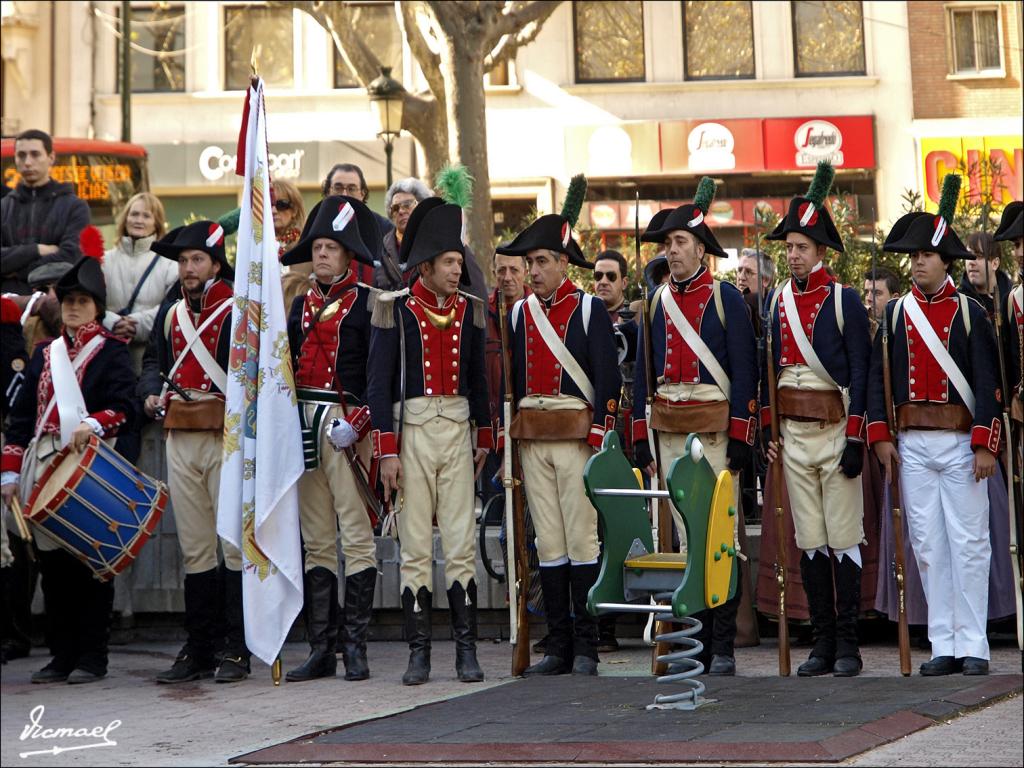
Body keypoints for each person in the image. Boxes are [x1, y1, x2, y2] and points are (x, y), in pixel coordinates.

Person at [868, 174, 1000, 677]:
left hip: (963, 442)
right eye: (913, 256)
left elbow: (987, 379)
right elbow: (880, 382)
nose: (917, 262)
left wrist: (986, 443)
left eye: (926, 254)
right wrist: (880, 436)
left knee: (969, 543)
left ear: (946, 259)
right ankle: (942, 641)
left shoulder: (970, 313)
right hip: (913, 442)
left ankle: (975, 645)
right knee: (927, 544)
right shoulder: (898, 313)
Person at [367, 172, 491, 686]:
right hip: (412, 431)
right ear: (426, 265)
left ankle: (466, 651)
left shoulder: (471, 311)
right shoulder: (394, 308)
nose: (456, 270)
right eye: (449, 263)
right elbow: (378, 387)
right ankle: (419, 652)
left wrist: (485, 434)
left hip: (458, 430)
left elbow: (480, 381)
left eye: (459, 263)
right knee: (416, 544)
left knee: (461, 541)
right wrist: (387, 450)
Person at [495, 175, 622, 677]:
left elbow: (608, 382)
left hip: (575, 438)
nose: (534, 271)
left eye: (541, 262)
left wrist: (599, 436)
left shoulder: (589, 309)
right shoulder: (520, 314)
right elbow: (515, 382)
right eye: (529, 264)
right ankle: (558, 644)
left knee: (582, 539)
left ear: (564, 263)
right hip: (534, 437)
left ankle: (587, 644)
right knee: (548, 541)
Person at [631, 178, 758, 676]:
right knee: (682, 537)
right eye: (667, 244)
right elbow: (642, 373)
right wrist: (641, 435)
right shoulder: (657, 300)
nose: (671, 251)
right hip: (667, 427)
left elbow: (745, 370)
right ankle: (693, 642)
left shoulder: (726, 299)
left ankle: (722, 645)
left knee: (717, 536)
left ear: (702, 250)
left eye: (679, 242)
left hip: (712, 430)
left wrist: (744, 435)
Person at [1, 256, 136, 684]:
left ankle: (92, 656)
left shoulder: (112, 353)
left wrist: (94, 422)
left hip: (90, 465)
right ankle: (61, 655)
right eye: (68, 301)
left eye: (82, 301)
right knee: (53, 567)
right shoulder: (45, 352)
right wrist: (10, 470)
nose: (74, 308)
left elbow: (126, 407)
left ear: (97, 307)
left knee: (91, 565)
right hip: (44, 463)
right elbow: (22, 416)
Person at [762, 162, 871, 678]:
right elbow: (770, 375)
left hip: (834, 432)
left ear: (821, 252)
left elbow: (863, 373)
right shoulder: (776, 301)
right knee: (810, 540)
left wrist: (856, 439)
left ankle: (848, 644)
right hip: (794, 435)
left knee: (844, 537)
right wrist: (769, 431)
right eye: (788, 248)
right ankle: (821, 642)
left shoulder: (844, 300)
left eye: (801, 247)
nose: (792, 255)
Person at [138, 221, 250, 684]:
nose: (187, 268)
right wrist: (149, 394)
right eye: (183, 261)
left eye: (196, 260)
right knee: (196, 548)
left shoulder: (238, 309)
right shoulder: (170, 314)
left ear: (216, 263)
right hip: (180, 433)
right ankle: (199, 646)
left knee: (231, 545)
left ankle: (237, 649)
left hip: (225, 435)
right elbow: (151, 365)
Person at [282, 195, 381, 683]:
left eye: (331, 248)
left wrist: (358, 425)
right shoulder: (299, 304)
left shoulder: (367, 302)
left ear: (347, 256)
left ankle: (356, 647)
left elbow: (378, 374)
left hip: (345, 425)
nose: (321, 254)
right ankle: (322, 648)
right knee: (317, 540)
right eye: (317, 247)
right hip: (303, 419)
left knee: (357, 539)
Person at [1, 129, 90, 295]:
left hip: (55, 304)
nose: (27, 162)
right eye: (21, 155)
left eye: (35, 154)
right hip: (8, 307)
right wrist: (36, 250)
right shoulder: (4, 207)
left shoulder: (75, 207)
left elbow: (70, 257)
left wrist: (16, 271)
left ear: (51, 158)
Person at [100, 192, 179, 373]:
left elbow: (172, 307)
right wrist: (113, 322)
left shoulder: (169, 264)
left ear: (156, 223)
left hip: (150, 362)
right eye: (134, 214)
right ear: (125, 218)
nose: (138, 220)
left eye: (146, 215)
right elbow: (93, 304)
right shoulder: (104, 261)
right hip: (110, 357)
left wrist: (136, 324)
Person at [378, 177, 432, 290]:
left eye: (407, 205)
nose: (401, 211)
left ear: (422, 206)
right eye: (395, 208)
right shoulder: (382, 249)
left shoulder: (437, 241)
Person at [273, 179, 310, 311]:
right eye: (269, 204)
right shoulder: (257, 247)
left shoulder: (306, 246)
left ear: (294, 210)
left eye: (281, 205)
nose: (274, 210)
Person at [960, 231, 1012, 321]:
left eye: (978, 256)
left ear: (995, 263)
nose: (971, 262)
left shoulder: (1013, 299)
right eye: (968, 256)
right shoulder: (959, 302)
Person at [863, 266, 901, 340]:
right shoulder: (860, 326)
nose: (869, 298)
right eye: (867, 292)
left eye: (877, 293)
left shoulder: (903, 329)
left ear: (894, 298)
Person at [593, 250, 629, 322]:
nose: (603, 282)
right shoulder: (585, 315)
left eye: (611, 276)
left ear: (624, 283)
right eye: (598, 276)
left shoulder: (633, 318)